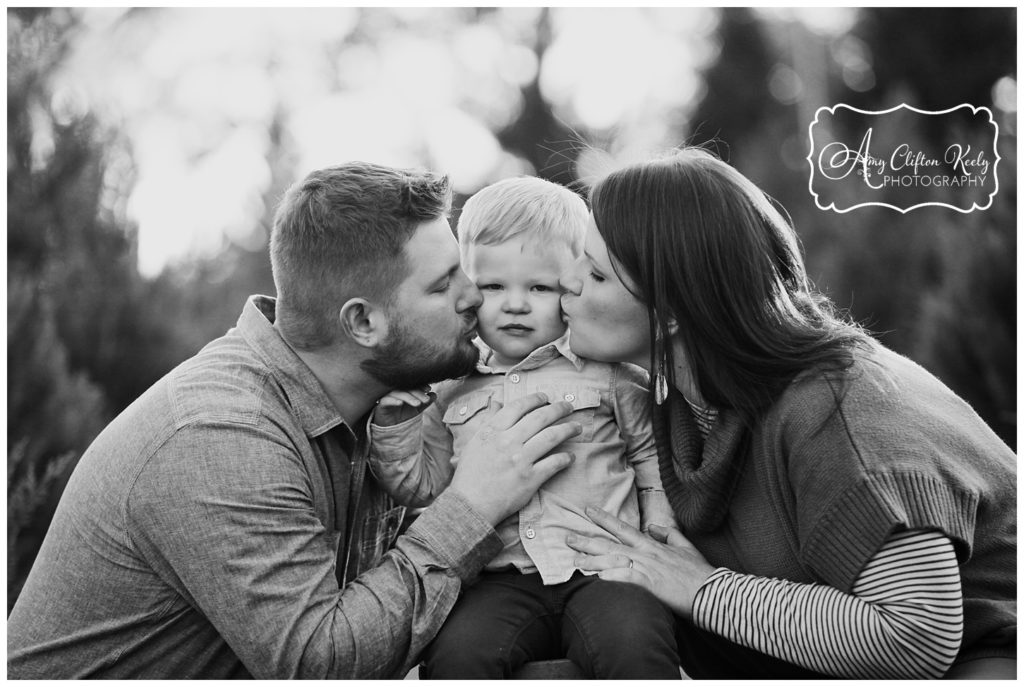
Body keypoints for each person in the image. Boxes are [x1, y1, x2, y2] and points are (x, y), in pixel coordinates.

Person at [6, 162, 582, 679]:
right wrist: (473, 506)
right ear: (363, 323)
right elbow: (319, 664)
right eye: (443, 285)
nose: (474, 298)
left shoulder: (382, 402)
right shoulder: (218, 438)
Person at [560, 147, 1017, 679]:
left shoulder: (836, 410)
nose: (565, 279)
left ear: (669, 315)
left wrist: (699, 588)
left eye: (594, 274)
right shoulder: (672, 401)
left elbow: (916, 637)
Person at [367, 176, 681, 678]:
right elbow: (421, 485)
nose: (515, 304)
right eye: (493, 287)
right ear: (469, 292)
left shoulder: (609, 374)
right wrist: (397, 426)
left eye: (539, 287)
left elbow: (650, 456)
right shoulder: (449, 390)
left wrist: (656, 538)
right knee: (458, 654)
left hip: (603, 567)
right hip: (497, 577)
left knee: (636, 644)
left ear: (572, 287)